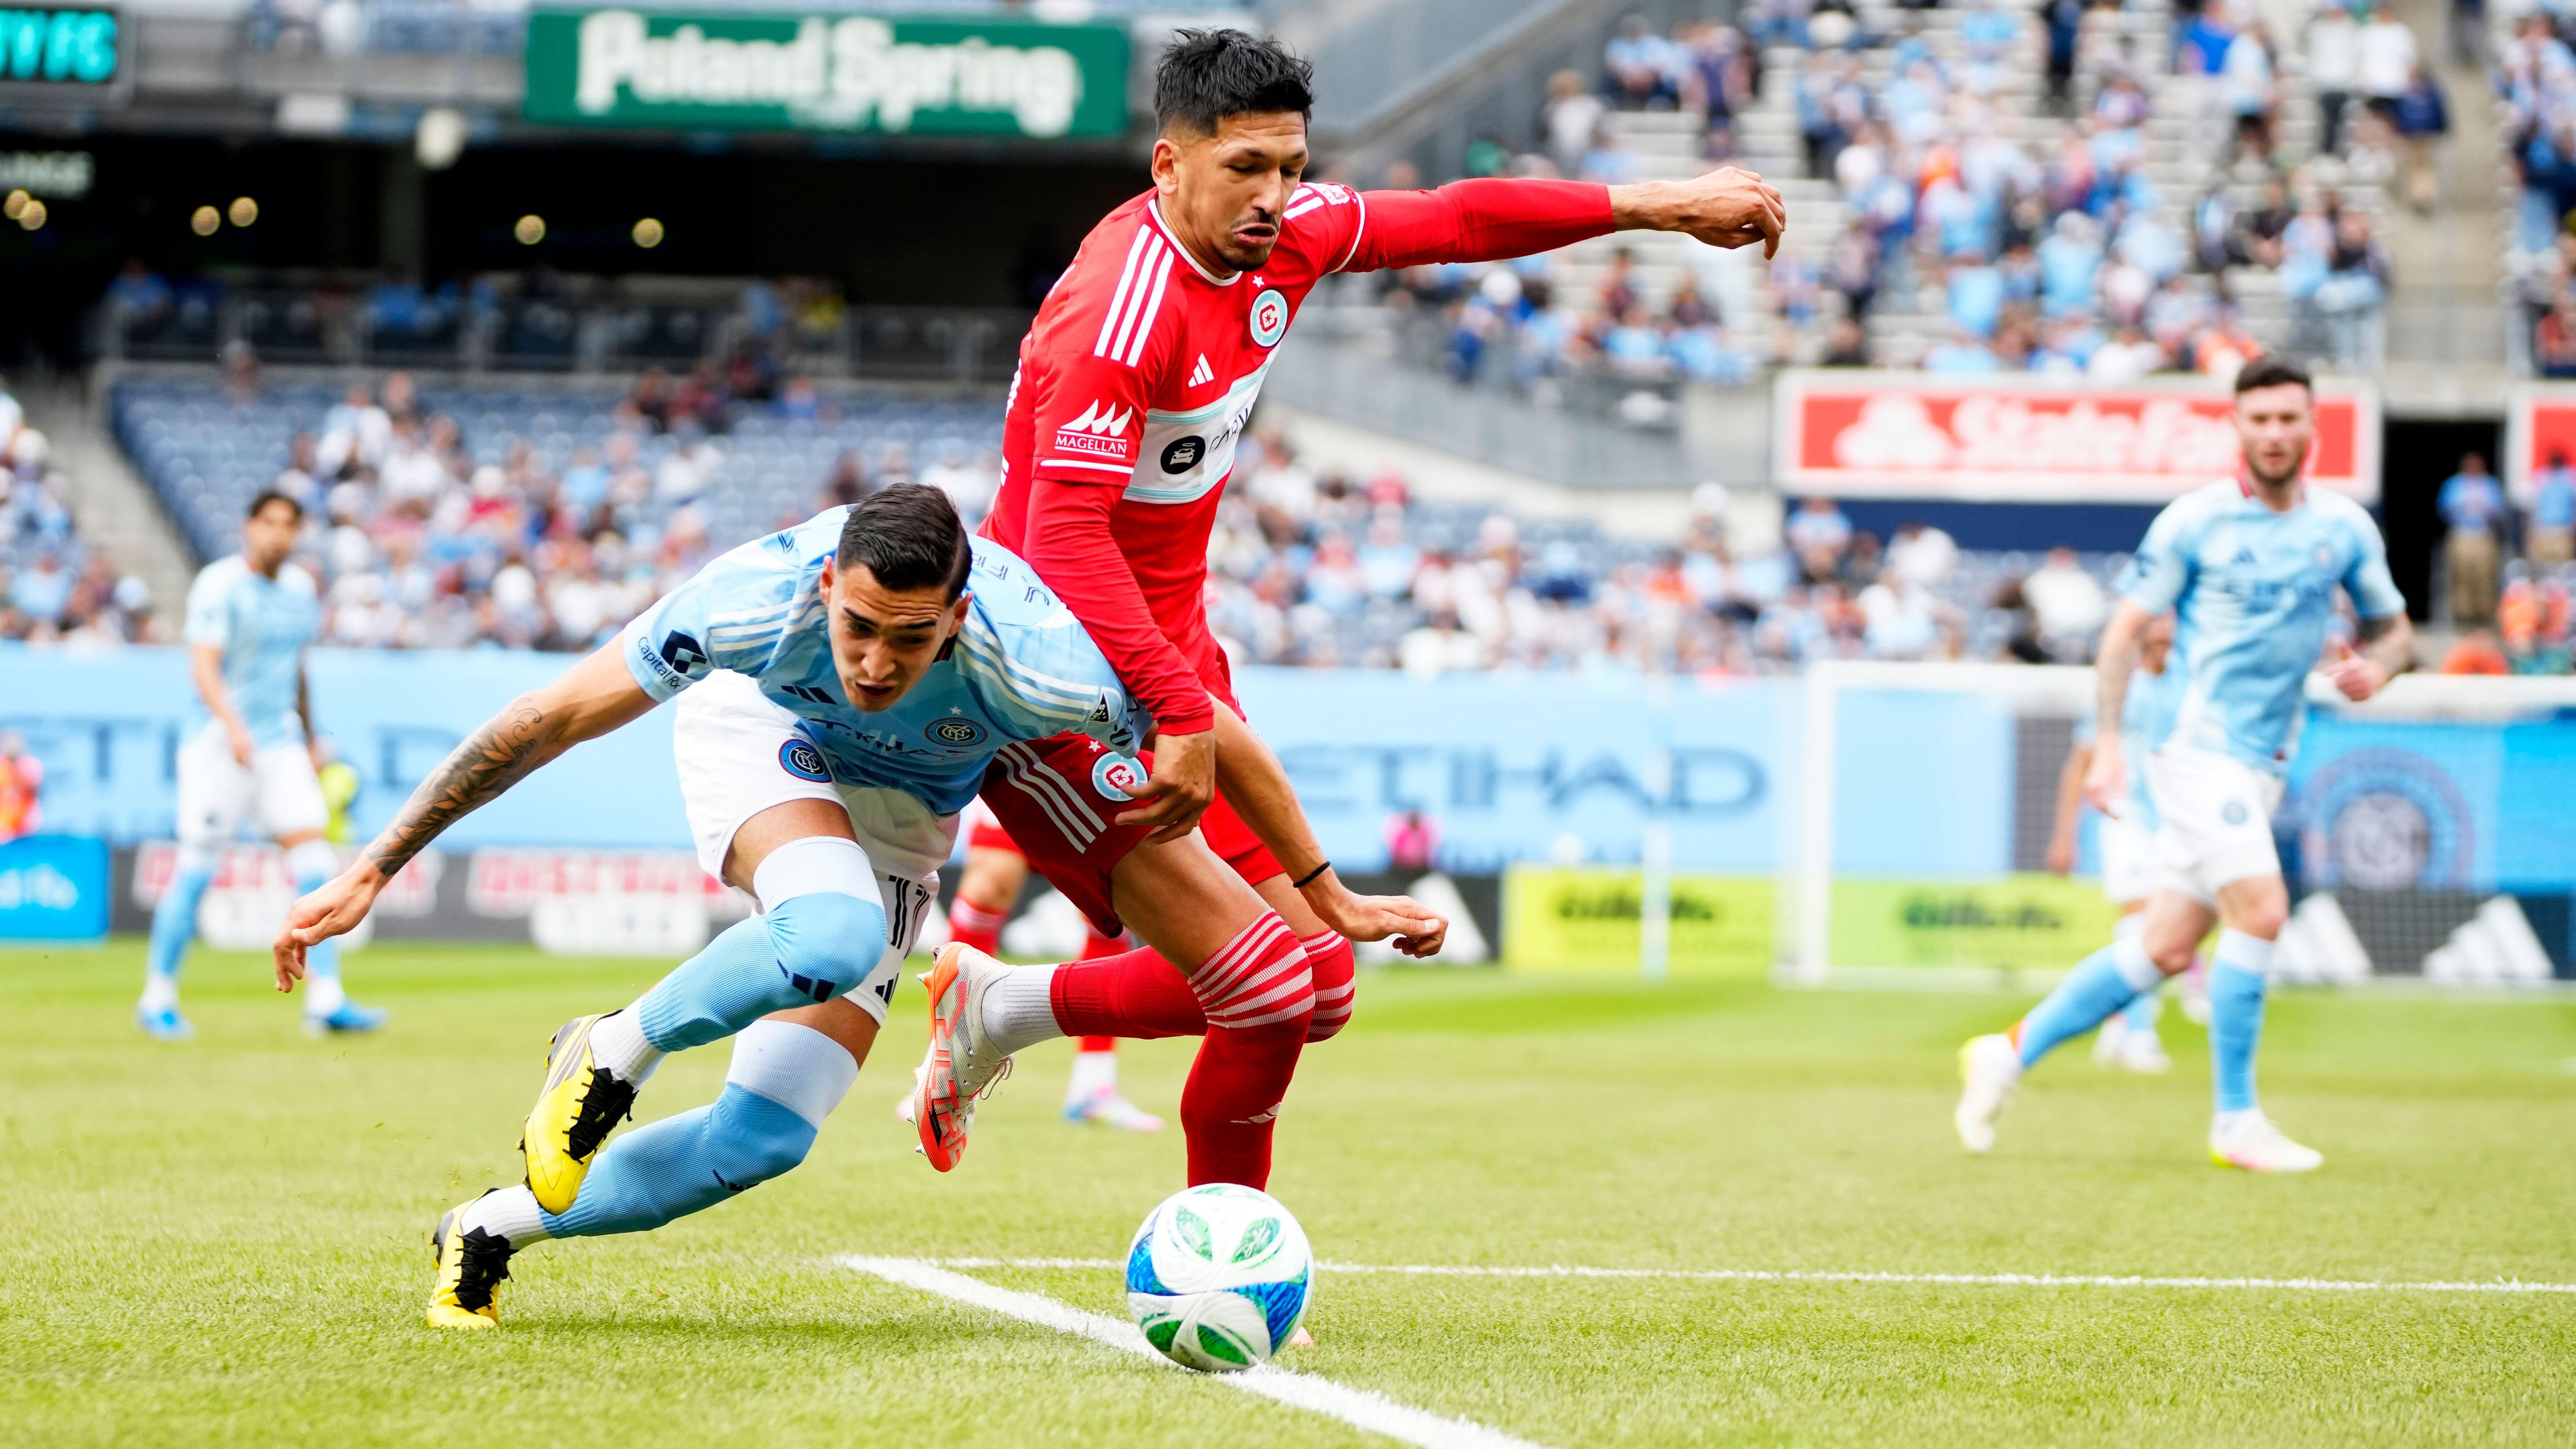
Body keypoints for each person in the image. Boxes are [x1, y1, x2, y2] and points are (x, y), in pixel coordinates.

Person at [270, 488, 1442, 1328]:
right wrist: (375, 865)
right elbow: (551, 715)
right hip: (767, 742)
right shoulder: (749, 604)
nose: (879, 660)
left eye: (912, 638)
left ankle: (493, 1225)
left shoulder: (1038, 655)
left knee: (762, 1139)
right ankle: (611, 1046)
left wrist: (1323, 889)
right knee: (825, 935)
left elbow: (1212, 732)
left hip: (900, 813)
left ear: (963, 614)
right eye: (858, 628)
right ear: (826, 586)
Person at [943, 25, 1780, 1167]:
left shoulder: (1281, 240)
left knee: (1321, 987)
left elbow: (1455, 217)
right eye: (1247, 169)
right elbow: (1065, 540)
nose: (1277, 197)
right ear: (1169, 167)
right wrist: (1180, 713)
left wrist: (1654, 204)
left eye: (1292, 167)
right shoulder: (1118, 312)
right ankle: (1218, 1246)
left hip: (1169, 661)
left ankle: (1002, 1010)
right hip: (1060, 681)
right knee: (1269, 988)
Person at [1954, 357, 2411, 1173]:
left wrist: (2378, 668)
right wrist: (2105, 747)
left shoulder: (2342, 529)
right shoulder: (2193, 522)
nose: (2273, 433)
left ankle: (2007, 1049)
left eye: (2288, 418)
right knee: (2262, 909)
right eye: (2259, 419)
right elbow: (2122, 631)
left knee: (2163, 947)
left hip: (2263, 762)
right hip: (2197, 752)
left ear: (2313, 426)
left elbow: (2395, 630)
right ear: (2236, 426)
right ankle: (2235, 1118)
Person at [141, 491, 384, 1042]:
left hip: (278, 745)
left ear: (297, 534)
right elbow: (202, 664)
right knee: (197, 865)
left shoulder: (300, 590)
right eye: (268, 522)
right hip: (218, 745)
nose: (277, 533)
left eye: (288, 525)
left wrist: (310, 730)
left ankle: (326, 999)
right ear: (249, 526)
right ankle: (157, 997)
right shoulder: (220, 584)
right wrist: (231, 724)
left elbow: (297, 667)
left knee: (316, 858)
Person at [934, 800, 1163, 1131]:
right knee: (989, 884)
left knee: (1108, 907)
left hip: (1097, 759)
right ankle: (941, 1076)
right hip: (1022, 756)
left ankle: (1093, 1089)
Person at [2043, 613, 2192, 1074]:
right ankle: (2139, 1033)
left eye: (2173, 619)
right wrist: (2064, 833)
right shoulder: (2118, 690)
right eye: (2158, 620)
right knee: (2140, 924)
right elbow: (2080, 763)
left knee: (2169, 930)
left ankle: (2118, 1015)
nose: (2166, 629)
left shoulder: (2191, 685)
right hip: (2124, 815)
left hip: (2177, 818)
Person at [2438, 451, 2507, 626]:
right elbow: (2444, 509)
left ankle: (2483, 617)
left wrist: (2484, 508)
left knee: (2485, 576)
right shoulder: (2454, 485)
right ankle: (2463, 616)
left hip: (2484, 536)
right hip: (2461, 535)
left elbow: (2500, 511)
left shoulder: (2491, 485)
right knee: (2462, 576)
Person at [2531, 448, 2576, 567]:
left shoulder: (2570, 476)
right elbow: (2533, 504)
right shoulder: (2542, 476)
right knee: (2542, 568)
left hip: (2563, 530)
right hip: (2543, 530)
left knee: (2563, 568)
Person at [0, 729, 41, 842]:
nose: (11, 746)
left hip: (27, 826)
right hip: (3, 829)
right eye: (8, 743)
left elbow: (31, 789)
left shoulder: (31, 765)